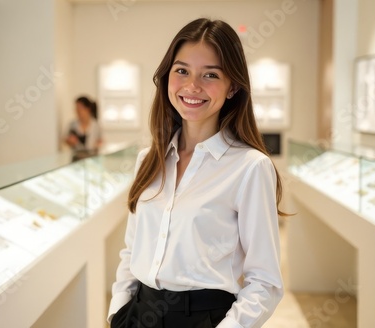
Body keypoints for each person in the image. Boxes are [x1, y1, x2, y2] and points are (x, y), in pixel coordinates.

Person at [108, 18, 286, 328]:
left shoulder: (250, 168)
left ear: (232, 87)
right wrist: (117, 312)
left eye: (211, 75)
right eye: (182, 71)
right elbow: (132, 250)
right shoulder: (148, 160)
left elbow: (265, 282)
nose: (192, 86)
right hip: (137, 314)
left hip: (205, 318)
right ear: (166, 77)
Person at [64, 96, 103, 160]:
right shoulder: (72, 125)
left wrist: (98, 145)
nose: (77, 111)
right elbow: (65, 139)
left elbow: (101, 140)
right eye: (76, 108)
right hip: (76, 160)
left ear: (88, 109)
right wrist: (70, 141)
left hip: (92, 159)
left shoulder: (96, 125)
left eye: (80, 108)